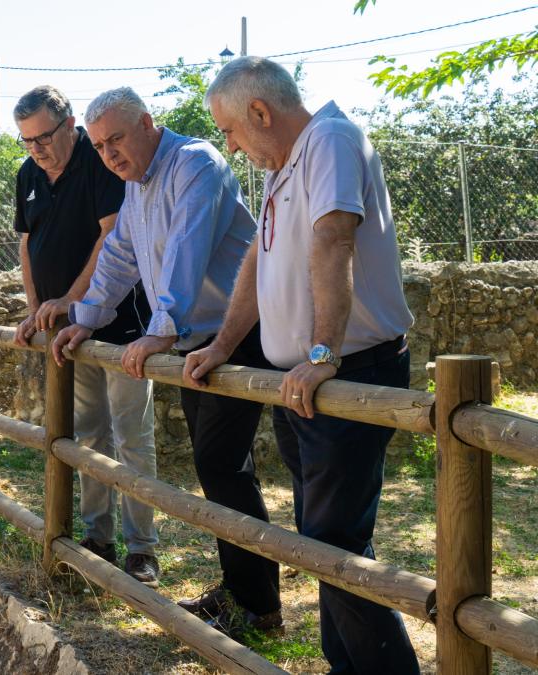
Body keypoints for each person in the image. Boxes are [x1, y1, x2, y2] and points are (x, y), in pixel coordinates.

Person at [186, 55, 420, 673]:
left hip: (348, 371)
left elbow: (334, 238)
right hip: (305, 381)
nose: (231, 147)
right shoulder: (283, 163)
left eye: (232, 130)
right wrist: (221, 343)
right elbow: (258, 265)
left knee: (334, 545)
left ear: (260, 112)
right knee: (324, 543)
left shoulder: (331, 140)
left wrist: (322, 355)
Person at [51, 86, 282, 636]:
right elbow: (120, 257)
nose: (109, 155)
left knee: (223, 466)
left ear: (148, 123)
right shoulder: (138, 187)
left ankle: (259, 608)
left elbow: (188, 246)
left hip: (240, 333)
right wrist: (86, 316)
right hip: (196, 340)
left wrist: (161, 328)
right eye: (101, 146)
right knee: (220, 468)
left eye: (117, 140)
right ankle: (245, 595)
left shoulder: (196, 163)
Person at [11, 85, 160, 585]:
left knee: (131, 437)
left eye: (44, 137)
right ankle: (100, 538)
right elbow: (28, 246)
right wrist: (38, 311)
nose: (37, 148)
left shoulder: (101, 164)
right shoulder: (28, 175)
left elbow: (112, 238)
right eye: (26, 140)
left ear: (69, 123)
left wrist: (71, 303)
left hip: (121, 330)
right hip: (64, 335)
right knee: (89, 434)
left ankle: (143, 549)